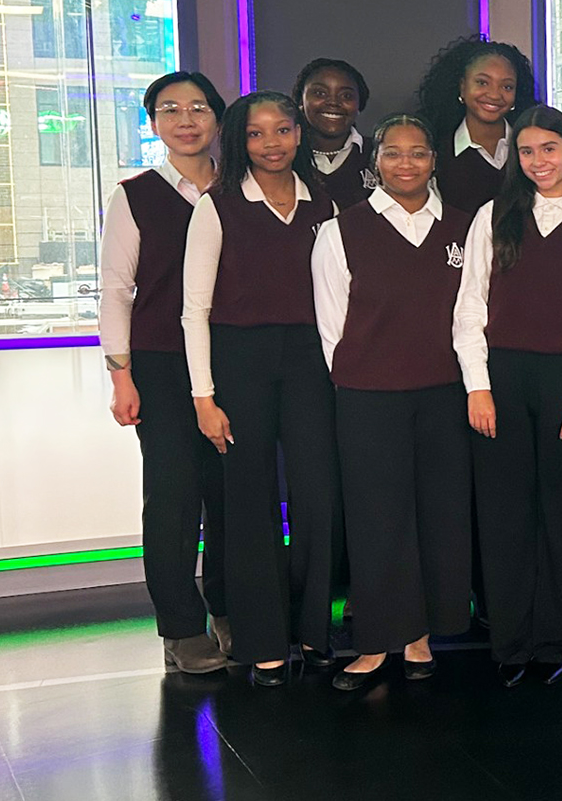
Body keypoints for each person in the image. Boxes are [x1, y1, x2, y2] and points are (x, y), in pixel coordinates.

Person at [453, 105, 562, 686]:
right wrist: (478, 387)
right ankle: (511, 639)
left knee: (561, 512)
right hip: (500, 379)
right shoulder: (494, 216)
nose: (538, 161)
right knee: (504, 514)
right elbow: (469, 307)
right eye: (526, 151)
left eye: (549, 148)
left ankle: (554, 638)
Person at [182, 91, 339, 687]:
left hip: (309, 362)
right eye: (256, 134)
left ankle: (313, 632)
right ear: (237, 139)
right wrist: (204, 396)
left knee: (316, 498)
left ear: (299, 135)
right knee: (247, 504)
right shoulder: (216, 205)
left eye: (282, 130)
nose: (271, 143)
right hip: (239, 364)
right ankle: (262, 642)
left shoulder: (322, 204)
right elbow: (193, 309)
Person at [313, 115, 474, 690]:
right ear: (376, 161)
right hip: (368, 397)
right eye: (393, 153)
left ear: (434, 160)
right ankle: (376, 642)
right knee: (378, 520)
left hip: (443, 394)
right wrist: (362, 376)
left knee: (439, 515)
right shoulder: (342, 230)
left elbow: (471, 317)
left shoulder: (464, 228)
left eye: (419, 153)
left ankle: (421, 636)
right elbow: (331, 325)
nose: (406, 163)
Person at [100, 72, 229, 675]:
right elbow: (116, 290)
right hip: (159, 361)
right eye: (170, 109)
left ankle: (231, 606)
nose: (186, 119)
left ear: (217, 119)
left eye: (198, 107)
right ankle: (180, 624)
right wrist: (120, 373)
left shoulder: (242, 187)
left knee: (234, 493)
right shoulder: (137, 194)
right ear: (154, 123)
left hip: (233, 358)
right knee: (176, 494)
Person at [419, 37, 538, 216]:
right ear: (462, 87)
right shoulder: (436, 153)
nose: (494, 95)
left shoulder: (533, 150)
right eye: (482, 82)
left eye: (507, 86)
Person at [295, 58, 375, 210]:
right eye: (320, 93)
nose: (333, 102)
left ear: (359, 105)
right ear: (301, 101)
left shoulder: (379, 154)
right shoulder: (282, 157)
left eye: (346, 96)